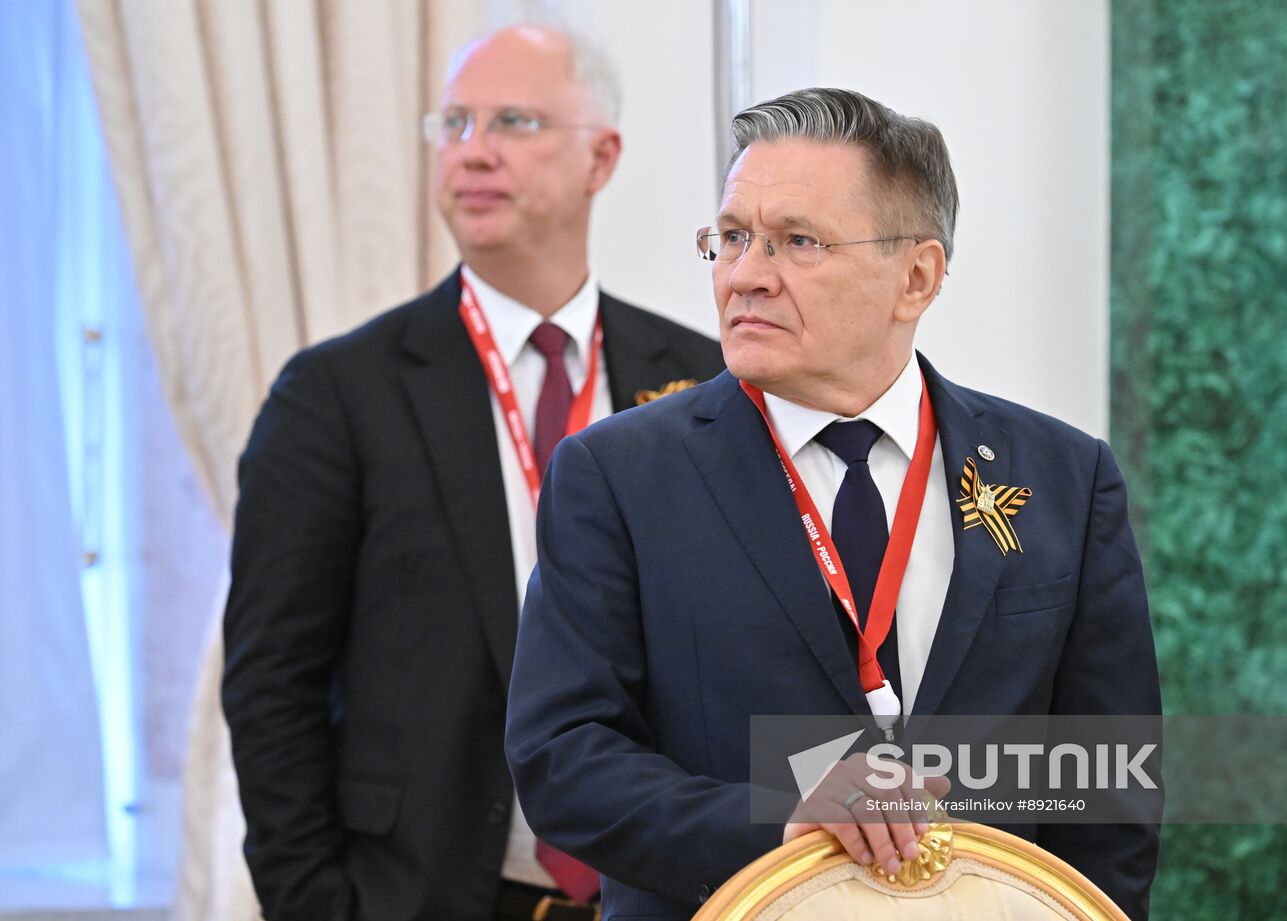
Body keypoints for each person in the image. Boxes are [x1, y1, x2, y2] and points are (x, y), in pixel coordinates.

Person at [505, 87, 1161, 921]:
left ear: (915, 276)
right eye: (733, 238)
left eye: (797, 243)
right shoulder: (619, 474)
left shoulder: (1067, 475)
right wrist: (776, 818)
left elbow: (1109, 785)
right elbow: (563, 761)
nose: (745, 275)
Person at [221, 25, 724, 921]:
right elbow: (271, 681)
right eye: (453, 124)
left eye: (515, 121)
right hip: (424, 892)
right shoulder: (338, 393)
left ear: (601, 157)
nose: (474, 151)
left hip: (666, 892)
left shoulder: (699, 378)